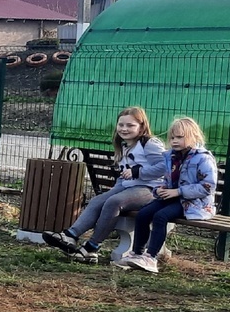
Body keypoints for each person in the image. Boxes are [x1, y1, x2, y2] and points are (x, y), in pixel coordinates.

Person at [43, 106, 166, 263]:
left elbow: (164, 167)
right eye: (121, 125)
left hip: (151, 189)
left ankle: (92, 247)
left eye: (130, 125)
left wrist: (137, 172)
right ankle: (70, 236)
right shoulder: (124, 145)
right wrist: (114, 190)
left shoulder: (149, 143)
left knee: (114, 202)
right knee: (98, 200)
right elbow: (123, 175)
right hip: (128, 187)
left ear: (142, 127)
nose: (124, 129)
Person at [113, 117, 218, 274]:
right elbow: (168, 181)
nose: (175, 141)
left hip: (195, 203)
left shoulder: (203, 158)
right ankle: (137, 254)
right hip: (172, 198)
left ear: (194, 136)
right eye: (172, 138)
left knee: (160, 216)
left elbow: (207, 186)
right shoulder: (170, 156)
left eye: (180, 137)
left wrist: (178, 192)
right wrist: (160, 190)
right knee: (143, 214)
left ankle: (151, 257)